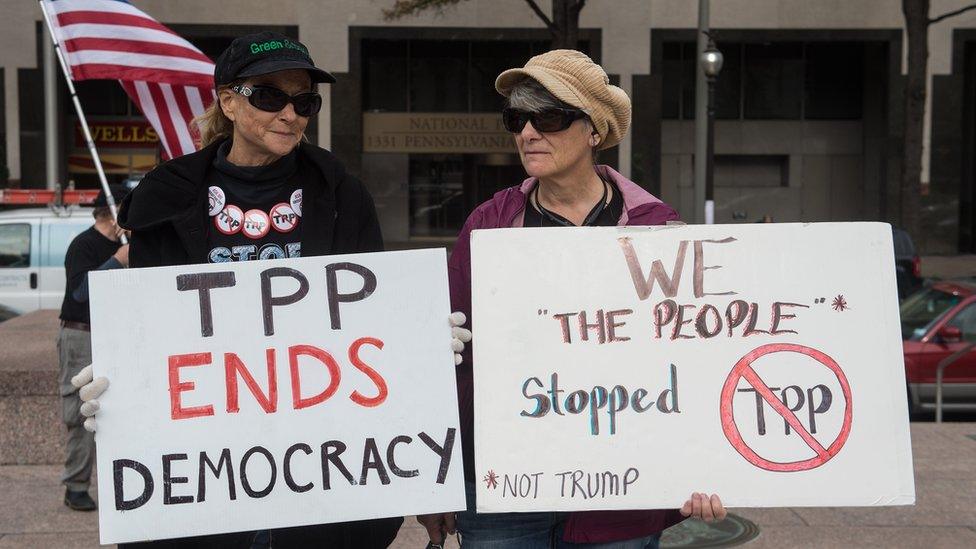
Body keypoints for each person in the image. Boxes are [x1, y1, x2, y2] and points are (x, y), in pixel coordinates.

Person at [70, 31, 470, 548]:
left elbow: (372, 324)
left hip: (324, 479)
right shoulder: (166, 199)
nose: (290, 114)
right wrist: (119, 386)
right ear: (228, 102)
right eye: (270, 96)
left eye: (304, 101)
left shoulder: (341, 195)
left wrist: (419, 344)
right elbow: (151, 332)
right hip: (206, 481)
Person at [417, 50, 727, 548]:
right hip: (505, 490)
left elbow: (694, 366)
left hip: (621, 496)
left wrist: (705, 467)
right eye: (517, 119)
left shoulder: (658, 231)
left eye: (551, 117)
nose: (529, 133)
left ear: (595, 131)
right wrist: (435, 480)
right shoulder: (489, 224)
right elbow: (446, 364)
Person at [58, 185, 129, 511]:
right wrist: (116, 261)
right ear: (109, 213)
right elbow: (80, 294)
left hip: (115, 333)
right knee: (80, 409)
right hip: (81, 336)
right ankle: (76, 485)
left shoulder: (128, 245)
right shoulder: (84, 245)